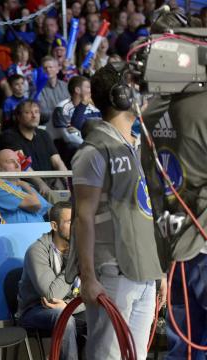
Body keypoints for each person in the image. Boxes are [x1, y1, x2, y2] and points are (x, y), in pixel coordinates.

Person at [68, 62, 165, 360]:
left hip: (144, 271)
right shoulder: (93, 151)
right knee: (107, 356)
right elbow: (83, 218)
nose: (141, 94)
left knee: (134, 356)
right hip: (112, 271)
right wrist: (87, 277)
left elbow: (146, 214)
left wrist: (160, 273)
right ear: (122, 96)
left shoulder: (134, 147)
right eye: (134, 87)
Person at [139, 8, 207, 358]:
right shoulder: (201, 106)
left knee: (186, 345)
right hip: (202, 241)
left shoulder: (151, 112)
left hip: (174, 245)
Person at [18, 202, 85, 360]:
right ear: (54, 225)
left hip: (70, 305)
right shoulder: (37, 251)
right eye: (69, 222)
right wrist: (73, 264)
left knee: (104, 314)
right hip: (35, 310)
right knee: (64, 318)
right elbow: (51, 294)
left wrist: (69, 306)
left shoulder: (82, 248)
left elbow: (93, 293)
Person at [48, 76, 101, 167]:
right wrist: (92, 146)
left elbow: (100, 128)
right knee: (74, 146)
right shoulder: (62, 108)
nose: (91, 90)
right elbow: (68, 137)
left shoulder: (93, 107)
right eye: (88, 87)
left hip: (88, 142)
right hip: (61, 146)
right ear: (77, 90)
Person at [0, 149, 51, 223]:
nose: (17, 165)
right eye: (11, 161)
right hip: (16, 233)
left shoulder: (23, 186)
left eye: (18, 161)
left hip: (40, 232)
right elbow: (35, 204)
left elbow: (45, 209)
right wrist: (24, 185)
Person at [37, 56, 69, 125]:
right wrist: (60, 113)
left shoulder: (66, 86)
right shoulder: (38, 89)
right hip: (47, 125)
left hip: (67, 123)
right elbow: (42, 112)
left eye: (50, 67)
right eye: (45, 68)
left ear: (57, 70)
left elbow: (71, 106)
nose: (48, 70)